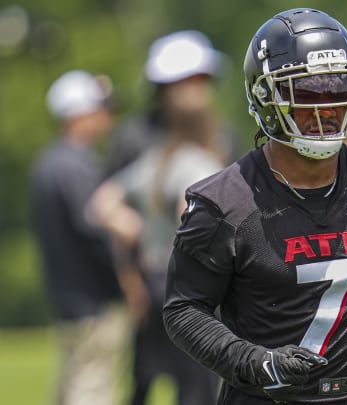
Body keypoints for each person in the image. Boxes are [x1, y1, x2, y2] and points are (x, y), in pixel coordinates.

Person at [163, 8, 347, 405]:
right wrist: (256, 362)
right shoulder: (223, 204)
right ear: (266, 97)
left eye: (340, 90)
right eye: (308, 93)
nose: (326, 109)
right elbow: (184, 309)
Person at [87, 31, 232, 405]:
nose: (199, 91)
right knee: (145, 380)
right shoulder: (135, 138)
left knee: (199, 380)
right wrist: (128, 275)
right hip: (153, 279)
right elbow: (109, 207)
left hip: (203, 282)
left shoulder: (221, 135)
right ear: (165, 86)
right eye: (190, 81)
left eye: (203, 81)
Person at [30, 70, 129, 405]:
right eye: (100, 108)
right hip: (93, 304)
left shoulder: (48, 164)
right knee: (92, 389)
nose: (107, 116)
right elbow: (96, 232)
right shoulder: (77, 166)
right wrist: (126, 280)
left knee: (73, 385)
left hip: (67, 301)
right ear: (80, 113)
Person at [106, 30, 240, 175]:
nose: (195, 90)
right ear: (163, 89)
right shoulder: (135, 137)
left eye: (201, 80)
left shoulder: (225, 138)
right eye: (185, 81)